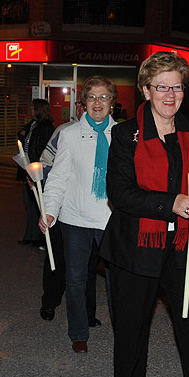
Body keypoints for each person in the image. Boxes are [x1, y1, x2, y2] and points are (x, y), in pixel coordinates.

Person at [99, 52, 189, 377]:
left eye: (177, 88)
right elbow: (120, 193)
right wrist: (172, 203)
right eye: (162, 87)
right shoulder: (125, 134)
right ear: (146, 89)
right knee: (132, 329)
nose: (170, 95)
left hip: (182, 243)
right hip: (136, 245)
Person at [39, 76, 117, 353]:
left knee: (118, 281)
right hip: (75, 220)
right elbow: (58, 178)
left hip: (110, 220)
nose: (98, 102)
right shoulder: (69, 134)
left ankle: (124, 330)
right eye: (92, 97)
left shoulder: (123, 134)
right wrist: (49, 211)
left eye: (104, 97)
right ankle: (78, 332)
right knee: (74, 279)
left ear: (112, 103)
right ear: (83, 104)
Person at [38, 100, 101, 327]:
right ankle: (50, 302)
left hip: (92, 214)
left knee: (89, 266)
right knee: (58, 261)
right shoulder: (64, 131)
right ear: (77, 107)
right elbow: (46, 163)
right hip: (64, 209)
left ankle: (88, 312)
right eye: (83, 105)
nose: (87, 109)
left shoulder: (111, 133)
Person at [17, 99, 54, 248]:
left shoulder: (46, 127)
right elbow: (22, 136)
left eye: (33, 107)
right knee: (30, 203)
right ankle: (31, 235)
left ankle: (41, 238)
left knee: (39, 204)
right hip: (27, 169)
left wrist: (37, 169)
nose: (30, 110)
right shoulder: (32, 124)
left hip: (36, 171)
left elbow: (44, 151)